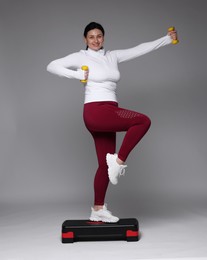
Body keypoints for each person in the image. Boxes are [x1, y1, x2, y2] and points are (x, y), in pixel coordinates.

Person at [47, 22, 178, 223]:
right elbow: (52, 65)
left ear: (104, 37)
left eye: (99, 36)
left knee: (102, 165)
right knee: (143, 121)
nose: (96, 40)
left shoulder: (112, 56)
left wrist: (166, 40)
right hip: (96, 111)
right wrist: (76, 74)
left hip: (110, 110)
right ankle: (118, 162)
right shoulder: (80, 57)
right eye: (91, 37)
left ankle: (97, 208)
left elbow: (139, 49)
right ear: (85, 40)